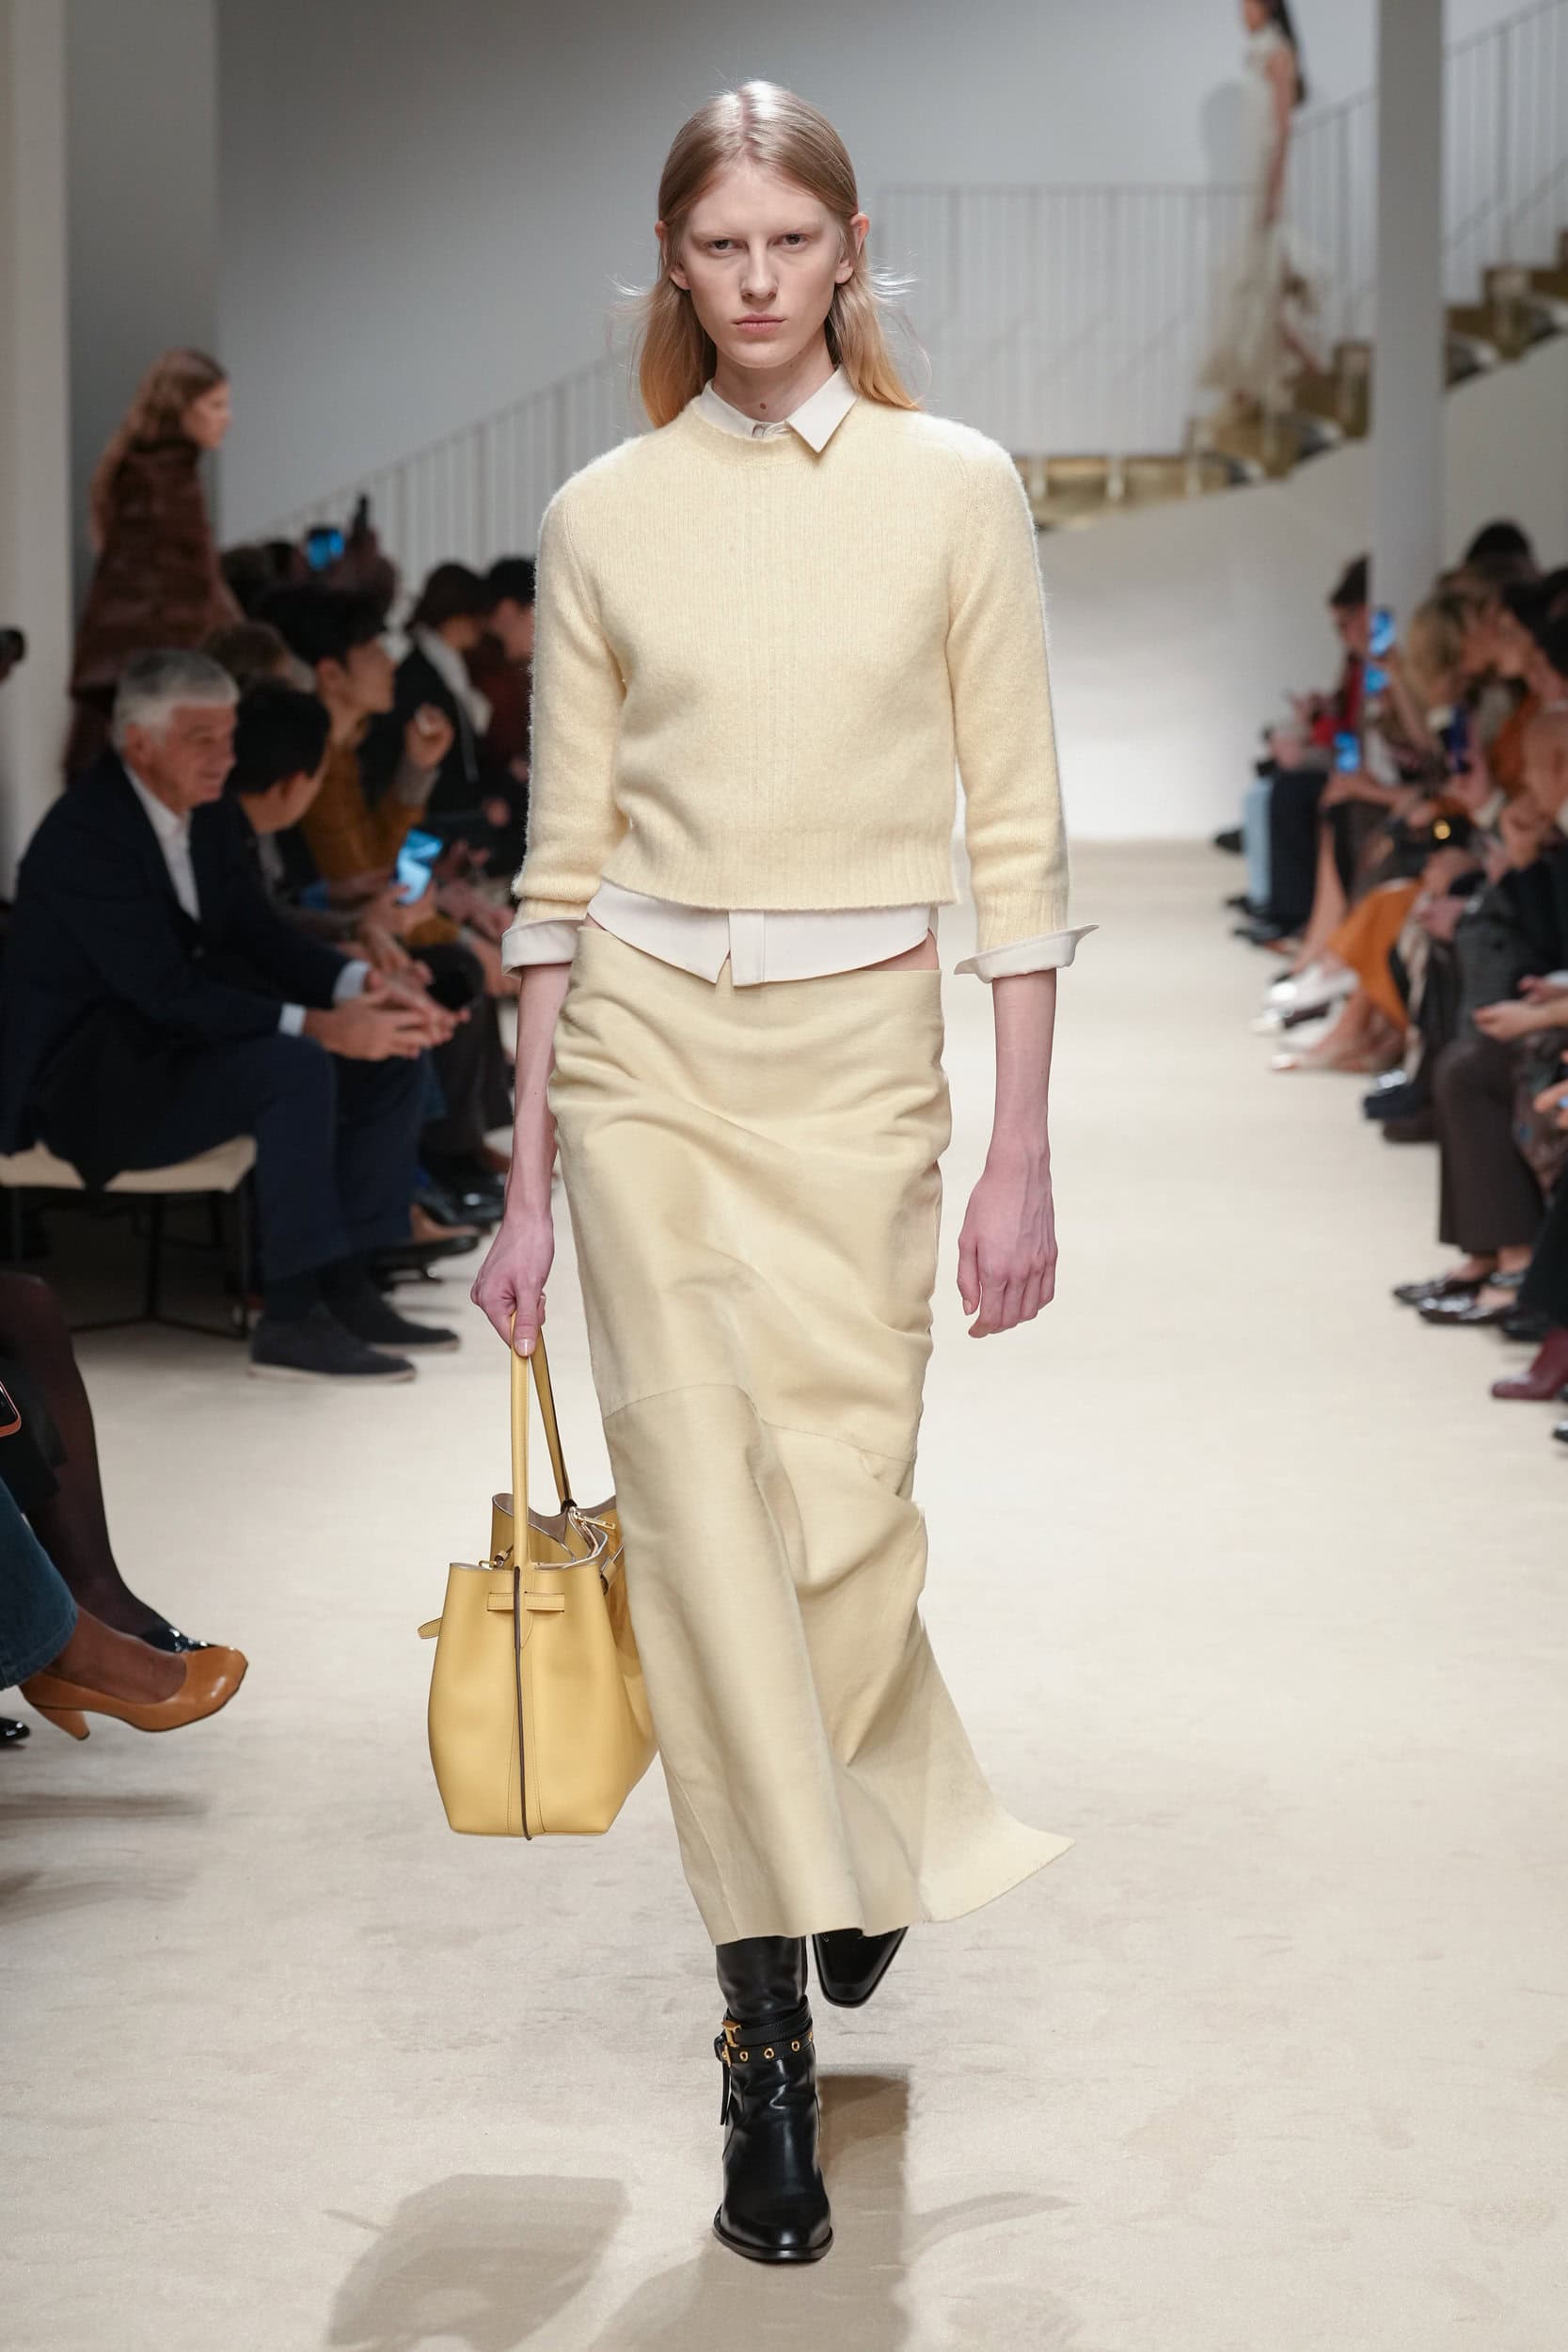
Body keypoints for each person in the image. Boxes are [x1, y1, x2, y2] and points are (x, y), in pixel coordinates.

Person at [471, 81, 1093, 2265]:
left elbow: (1018, 841)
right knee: (703, 1533)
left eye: (788, 244)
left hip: (856, 1066)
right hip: (643, 1062)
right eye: (717, 247)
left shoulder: (953, 490)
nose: (753, 282)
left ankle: (848, 1814)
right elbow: (555, 865)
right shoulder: (601, 513)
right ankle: (764, 2042)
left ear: (849, 249)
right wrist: (526, 1179)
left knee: (840, 1520)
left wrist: (1020, 1147)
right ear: (676, 261)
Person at [0, 650, 457, 1380]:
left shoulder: (205, 814)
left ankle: (350, 1284)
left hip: (174, 1051)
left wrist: (361, 984)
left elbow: (257, 932)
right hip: (94, 1086)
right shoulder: (85, 836)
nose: (224, 758)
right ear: (140, 744)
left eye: (228, 737)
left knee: (389, 1048)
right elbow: (164, 989)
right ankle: (290, 1317)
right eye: (201, 739)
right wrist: (321, 1025)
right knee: (297, 1064)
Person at [67, 350, 242, 778]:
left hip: (136, 678)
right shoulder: (163, 482)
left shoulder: (151, 472)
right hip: (155, 682)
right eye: (215, 405)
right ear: (181, 406)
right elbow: (174, 594)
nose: (227, 418)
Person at [1198, 0, 1323, 424]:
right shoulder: (1258, 54)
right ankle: (1263, 381)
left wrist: (1275, 186)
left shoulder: (1277, 53)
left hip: (1268, 182)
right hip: (1255, 181)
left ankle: (1293, 375)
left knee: (1261, 279)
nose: (1242, 11)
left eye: (1248, 3)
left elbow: (1282, 126)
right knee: (1255, 281)